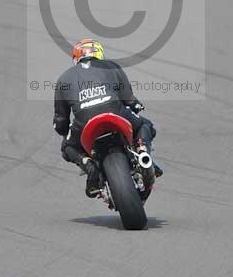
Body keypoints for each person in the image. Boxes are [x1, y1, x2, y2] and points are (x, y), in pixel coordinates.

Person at [53, 38, 162, 197]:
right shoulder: (111, 66)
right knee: (145, 125)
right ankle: (143, 152)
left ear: (76, 58)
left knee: (67, 147)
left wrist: (63, 130)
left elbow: (61, 121)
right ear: (99, 53)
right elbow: (129, 100)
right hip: (114, 110)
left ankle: (89, 165)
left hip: (84, 120)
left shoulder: (63, 78)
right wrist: (136, 106)